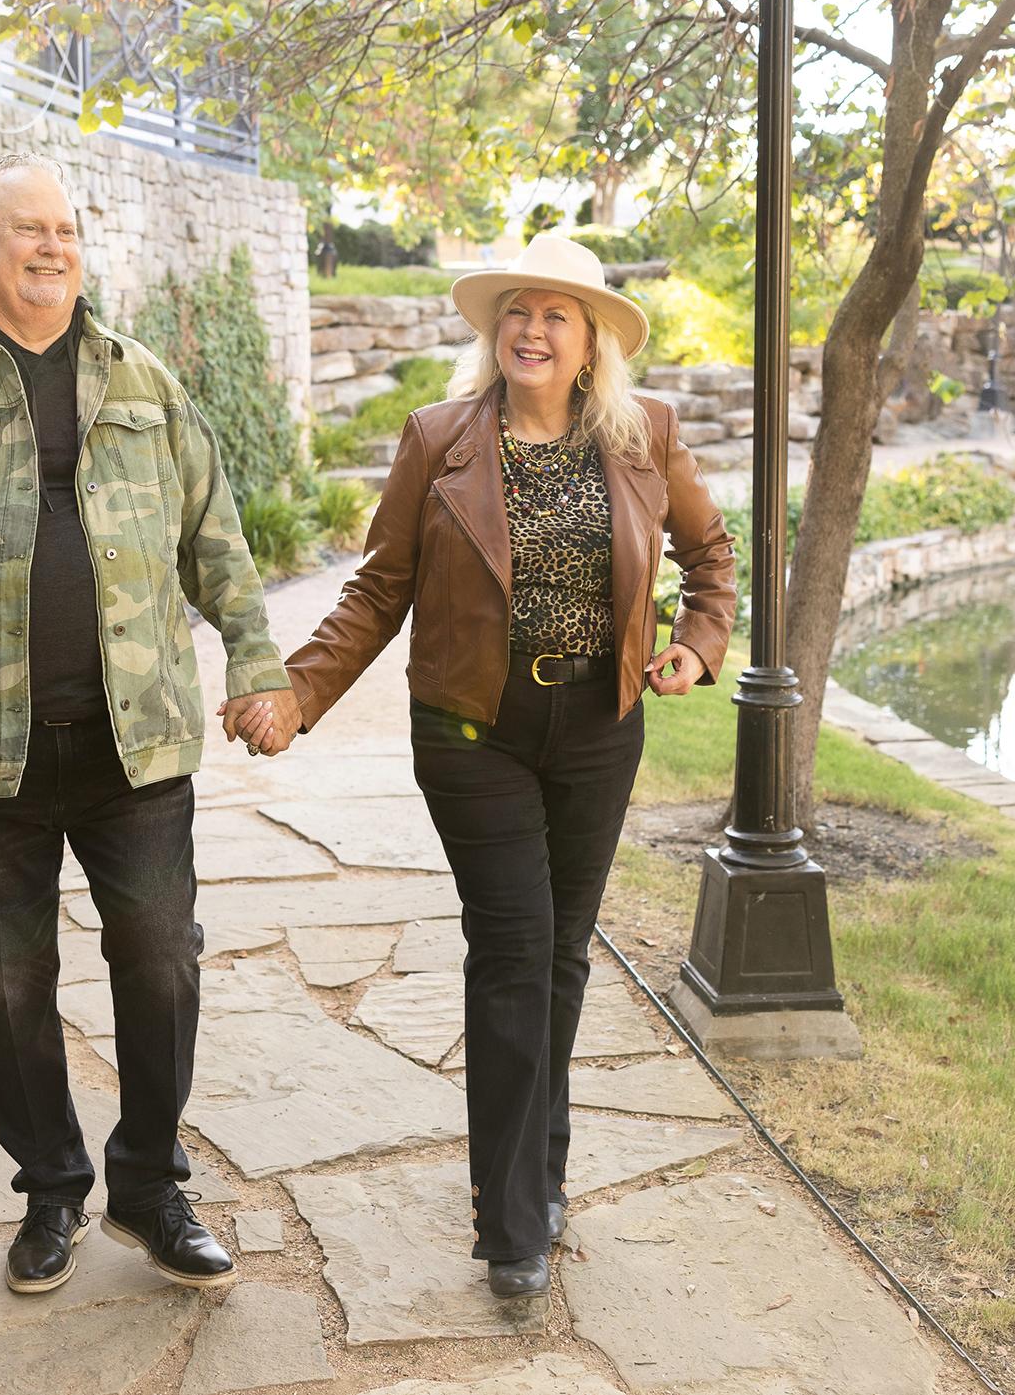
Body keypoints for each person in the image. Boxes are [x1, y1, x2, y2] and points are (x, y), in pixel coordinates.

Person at [0, 152, 301, 1295]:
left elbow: (215, 530)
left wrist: (256, 657)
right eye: (27, 228)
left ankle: (148, 1182)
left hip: (131, 736)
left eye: (67, 230)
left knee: (160, 954)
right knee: (6, 979)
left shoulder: (139, 377)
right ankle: (50, 1188)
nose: (52, 246)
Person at [238, 232, 735, 1300]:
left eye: (558, 313)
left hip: (600, 722)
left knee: (560, 953)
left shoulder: (646, 435)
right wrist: (299, 691)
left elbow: (715, 552)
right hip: (474, 726)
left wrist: (697, 641)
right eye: (518, 309)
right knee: (515, 947)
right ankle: (513, 1224)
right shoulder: (439, 440)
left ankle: (538, 1172)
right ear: (494, 327)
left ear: (592, 337)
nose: (533, 329)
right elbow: (379, 588)